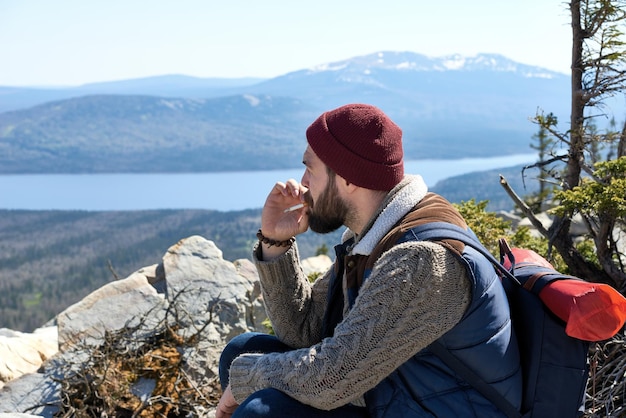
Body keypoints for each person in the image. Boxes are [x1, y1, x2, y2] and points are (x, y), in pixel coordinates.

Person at [216, 103, 522, 418]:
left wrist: (246, 380)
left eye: (311, 168)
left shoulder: (420, 261)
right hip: (403, 396)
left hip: (437, 408)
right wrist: (275, 241)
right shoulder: (375, 233)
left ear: (348, 178)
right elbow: (305, 333)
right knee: (242, 350)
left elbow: (330, 378)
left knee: (262, 411)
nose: (303, 183)